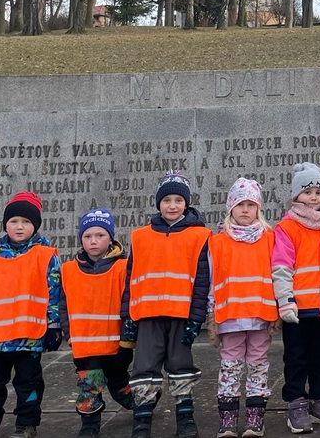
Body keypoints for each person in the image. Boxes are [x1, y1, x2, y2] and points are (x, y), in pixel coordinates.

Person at [125, 171, 211, 438]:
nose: (172, 206)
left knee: (181, 367)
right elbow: (130, 278)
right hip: (148, 316)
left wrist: (197, 319)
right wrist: (127, 317)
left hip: (181, 316)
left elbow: (202, 282)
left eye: (178, 200)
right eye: (166, 200)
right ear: (158, 203)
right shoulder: (140, 237)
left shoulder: (200, 236)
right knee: (144, 369)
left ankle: (185, 418)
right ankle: (142, 420)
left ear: (186, 203)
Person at [0, 192, 62, 438]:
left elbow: (54, 291)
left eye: (26, 221)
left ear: (35, 225)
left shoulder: (46, 255)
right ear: (5, 224)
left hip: (29, 335)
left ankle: (27, 424)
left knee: (29, 382)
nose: (19, 226)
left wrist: (53, 325)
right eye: (14, 221)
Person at [273, 162, 320, 434]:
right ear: (296, 195)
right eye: (307, 192)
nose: (314, 197)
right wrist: (285, 300)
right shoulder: (287, 228)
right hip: (297, 308)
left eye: (318, 192)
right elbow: (281, 266)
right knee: (296, 358)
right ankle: (296, 404)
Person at [209, 178, 278, 438]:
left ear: (258, 208)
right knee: (230, 366)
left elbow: (277, 274)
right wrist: (211, 315)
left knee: (258, 365)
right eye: (240, 204)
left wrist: (278, 310)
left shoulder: (270, 238)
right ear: (230, 208)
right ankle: (227, 419)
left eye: (251, 204)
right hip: (231, 317)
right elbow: (212, 280)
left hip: (261, 315)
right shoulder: (218, 242)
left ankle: (254, 418)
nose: (245, 210)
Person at [59, 209, 133, 438]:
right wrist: (69, 334)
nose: (93, 241)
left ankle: (139, 401)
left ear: (110, 238)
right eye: (87, 236)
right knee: (89, 387)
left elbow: (129, 303)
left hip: (115, 344)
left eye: (100, 235)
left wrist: (128, 338)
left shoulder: (123, 267)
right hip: (84, 345)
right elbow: (64, 305)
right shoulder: (68, 270)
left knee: (118, 384)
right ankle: (90, 425)